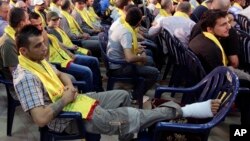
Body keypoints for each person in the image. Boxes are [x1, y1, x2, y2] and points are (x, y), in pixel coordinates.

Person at [13, 24, 221, 141]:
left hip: (76, 101)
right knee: (133, 114)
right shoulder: (26, 77)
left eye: (44, 44)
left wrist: (67, 85)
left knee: (122, 95)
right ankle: (185, 111)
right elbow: (40, 119)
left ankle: (127, 131)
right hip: (69, 119)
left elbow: (60, 73)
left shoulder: (38, 60)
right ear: (23, 51)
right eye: (39, 46)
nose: (45, 49)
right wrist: (65, 98)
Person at [189, 9, 250, 125]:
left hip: (205, 81)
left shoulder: (202, 38)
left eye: (228, 23)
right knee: (247, 87)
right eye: (223, 25)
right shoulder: (211, 48)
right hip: (211, 88)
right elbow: (224, 77)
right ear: (210, 29)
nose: (229, 27)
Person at [0, 8, 30, 100]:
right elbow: (16, 74)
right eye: (27, 20)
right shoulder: (8, 43)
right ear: (21, 23)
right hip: (18, 85)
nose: (29, 22)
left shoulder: (16, 36)